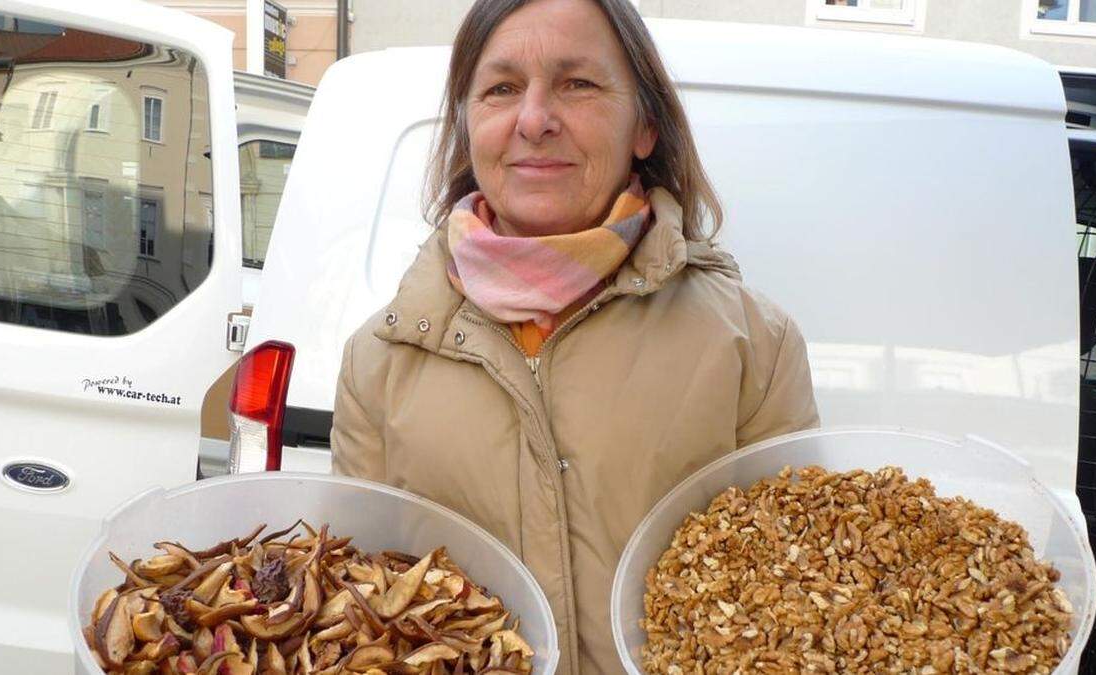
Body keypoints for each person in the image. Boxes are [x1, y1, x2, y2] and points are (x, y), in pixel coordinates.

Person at [330, 0, 820, 671]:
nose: (534, 120)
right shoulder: (381, 361)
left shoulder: (751, 346)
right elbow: (360, 618)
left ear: (645, 124)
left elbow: (798, 607)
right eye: (501, 89)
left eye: (577, 84)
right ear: (470, 124)